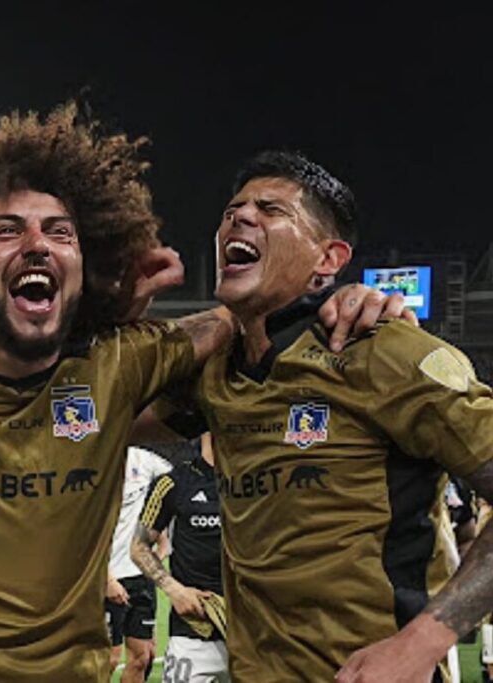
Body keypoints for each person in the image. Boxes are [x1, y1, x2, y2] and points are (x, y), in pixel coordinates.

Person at [0, 105, 405, 681]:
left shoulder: (120, 366)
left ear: (83, 266)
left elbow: (230, 324)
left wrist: (332, 298)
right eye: (7, 231)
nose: (37, 244)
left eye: (60, 232)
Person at [149, 150, 493, 681]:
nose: (239, 218)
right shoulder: (217, 377)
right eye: (232, 209)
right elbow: (96, 421)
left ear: (328, 259)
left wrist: (421, 643)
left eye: (271, 210)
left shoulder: (385, 353)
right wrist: (219, 316)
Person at [131, 433, 227, 683]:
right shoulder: (174, 482)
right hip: (193, 631)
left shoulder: (258, 482)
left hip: (251, 634)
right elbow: (139, 547)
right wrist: (176, 591)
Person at [105, 446, 172, 682]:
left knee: (142, 657)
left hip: (140, 576)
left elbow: (178, 485)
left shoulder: (145, 460)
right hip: (106, 577)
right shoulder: (91, 461)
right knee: (108, 660)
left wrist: (162, 536)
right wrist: (106, 579)